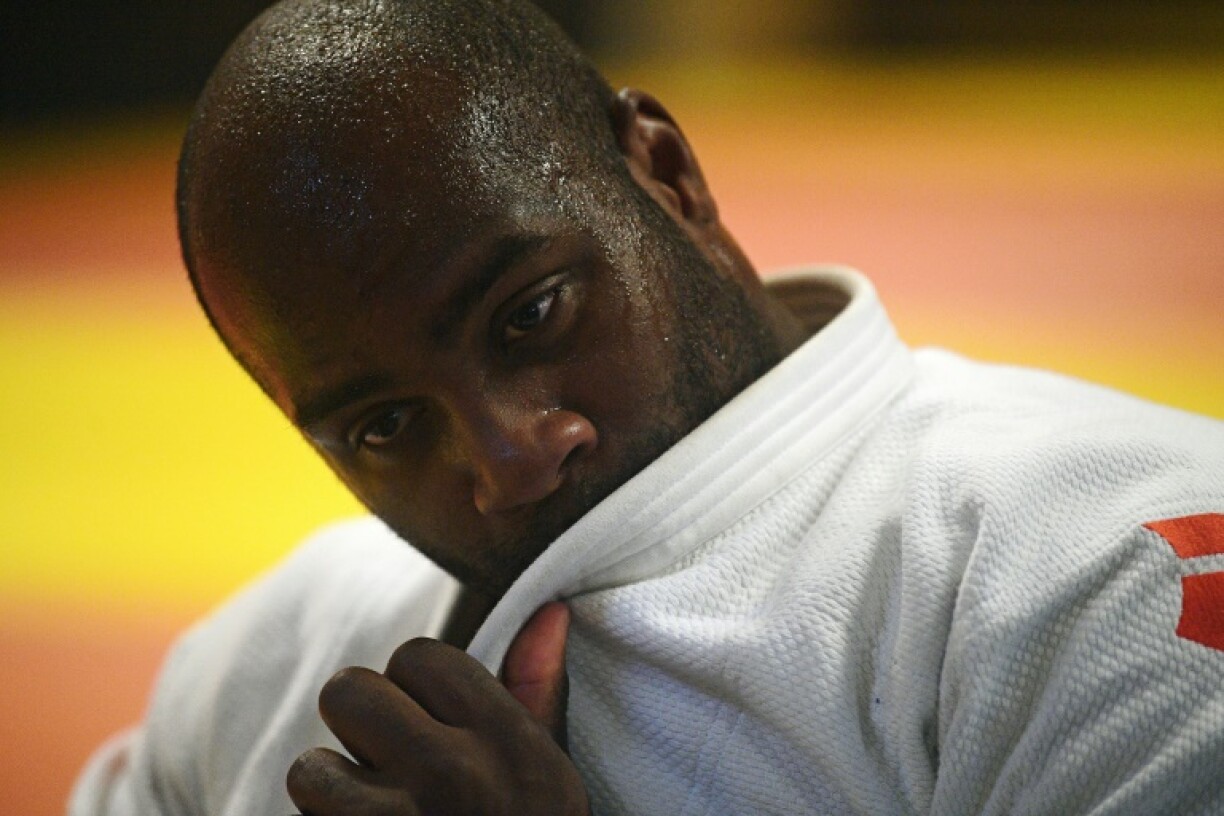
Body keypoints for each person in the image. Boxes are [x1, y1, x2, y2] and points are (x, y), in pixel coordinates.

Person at [71, 0, 1224, 814]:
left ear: (668, 173)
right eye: (384, 426)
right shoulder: (259, 675)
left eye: (531, 316)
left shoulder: (1110, 566)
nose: (511, 457)